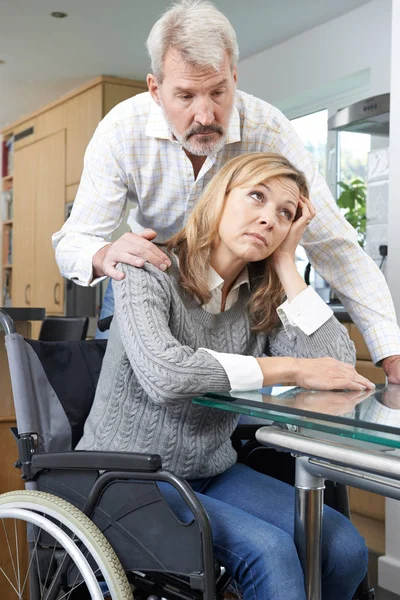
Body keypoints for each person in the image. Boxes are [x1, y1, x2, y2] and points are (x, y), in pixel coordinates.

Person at [52, 0, 400, 383]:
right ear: (155, 89)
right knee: (128, 388)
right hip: (153, 282)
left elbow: (334, 245)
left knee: (232, 411)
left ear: (234, 76)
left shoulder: (268, 129)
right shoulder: (122, 130)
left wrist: (392, 352)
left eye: (218, 92)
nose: (205, 116)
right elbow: (74, 241)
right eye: (185, 96)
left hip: (236, 293)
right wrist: (104, 252)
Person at [76, 153, 371, 600]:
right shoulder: (146, 267)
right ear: (220, 196)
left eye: (285, 214)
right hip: (124, 477)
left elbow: (336, 365)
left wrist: (288, 263)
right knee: (270, 553)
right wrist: (289, 368)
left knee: (344, 546)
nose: (269, 219)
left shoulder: (260, 296)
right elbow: (167, 375)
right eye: (257, 196)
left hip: (212, 471)